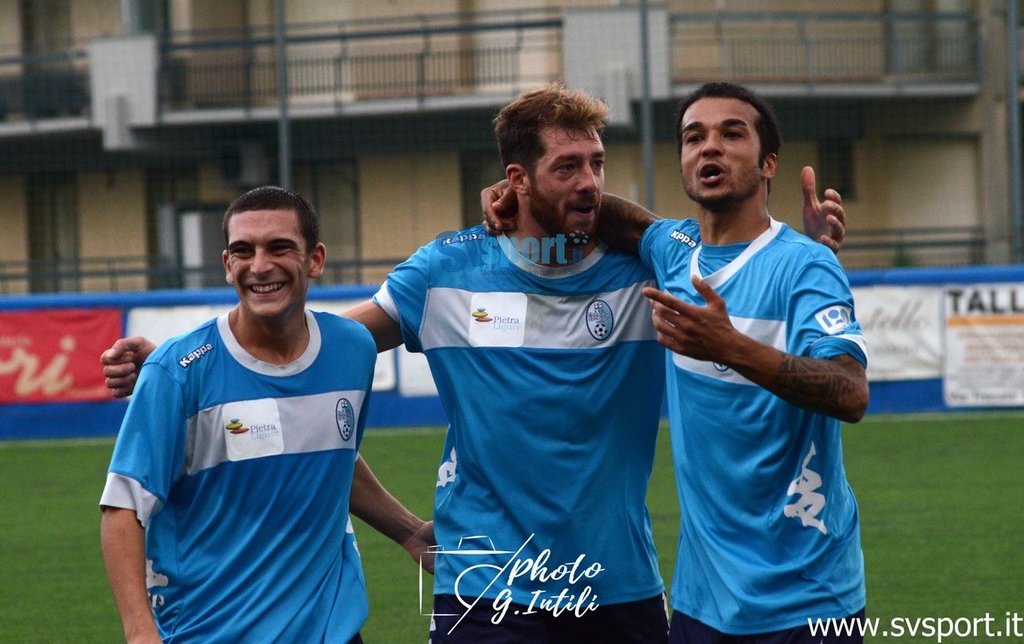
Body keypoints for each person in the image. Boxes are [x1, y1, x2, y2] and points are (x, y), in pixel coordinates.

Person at [102, 84, 846, 643]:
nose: (589, 183)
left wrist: (806, 257)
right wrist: (178, 363)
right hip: (484, 588)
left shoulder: (645, 272)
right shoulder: (445, 273)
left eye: (597, 164)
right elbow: (310, 348)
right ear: (516, 180)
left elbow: (735, 269)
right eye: (566, 167)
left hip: (617, 586)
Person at [594, 82, 868, 643]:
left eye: (732, 134)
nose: (709, 147)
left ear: (769, 164)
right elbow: (612, 216)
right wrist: (515, 189)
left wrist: (730, 347)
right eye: (694, 137)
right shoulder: (673, 249)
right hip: (702, 602)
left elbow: (850, 392)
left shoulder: (806, 266)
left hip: (807, 600)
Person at [99, 187, 431, 644]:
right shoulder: (178, 372)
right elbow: (123, 509)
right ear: (227, 264)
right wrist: (140, 634)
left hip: (333, 632)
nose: (259, 265)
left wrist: (410, 533)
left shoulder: (352, 349)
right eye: (243, 251)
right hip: (212, 633)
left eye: (279, 247)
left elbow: (331, 458)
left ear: (315, 259)